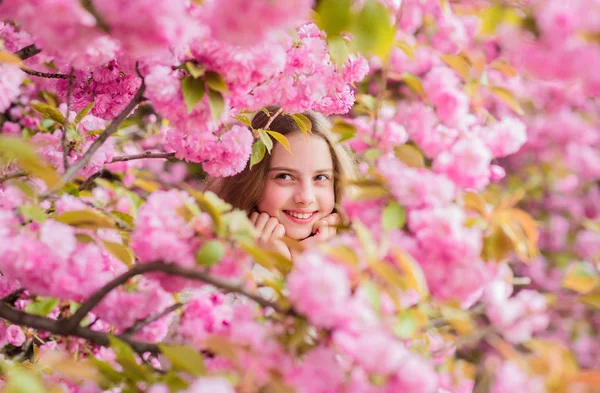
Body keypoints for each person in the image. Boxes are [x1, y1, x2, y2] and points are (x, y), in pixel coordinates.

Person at [208, 105, 356, 259]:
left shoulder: (361, 264)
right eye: (285, 176)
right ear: (250, 182)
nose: (306, 197)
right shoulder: (212, 260)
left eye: (320, 178)